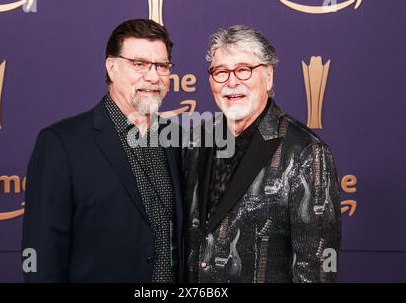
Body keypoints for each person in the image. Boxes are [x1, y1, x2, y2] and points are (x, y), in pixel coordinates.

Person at [22, 19, 183, 282]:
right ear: (111, 67)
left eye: (162, 66)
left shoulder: (178, 139)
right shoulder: (61, 143)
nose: (153, 76)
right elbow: (42, 252)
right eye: (139, 64)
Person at [183, 25, 341, 283]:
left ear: (268, 77)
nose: (232, 82)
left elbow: (318, 269)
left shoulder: (307, 151)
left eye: (244, 70)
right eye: (221, 72)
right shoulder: (195, 141)